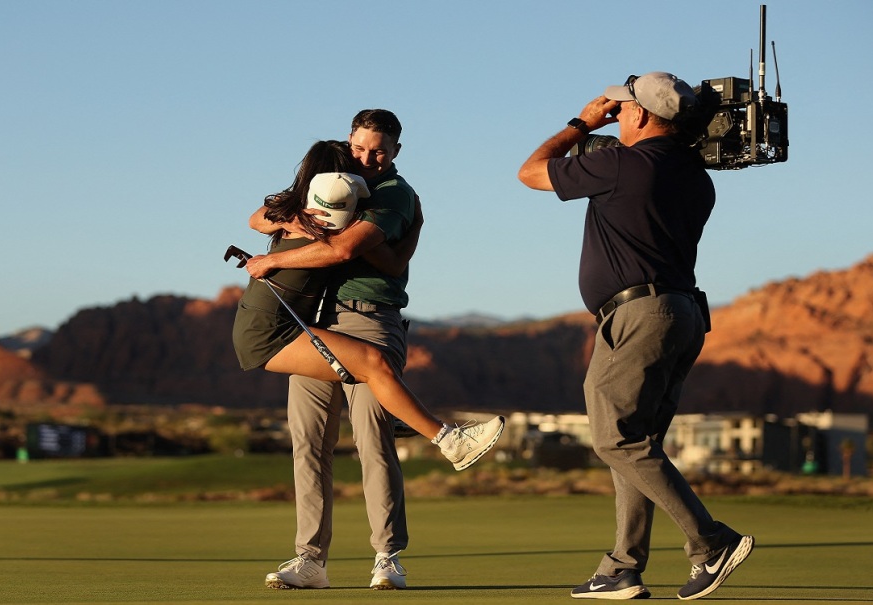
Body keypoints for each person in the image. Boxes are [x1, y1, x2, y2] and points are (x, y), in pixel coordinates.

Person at [517, 72, 753, 601]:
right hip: (682, 312)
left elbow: (530, 173)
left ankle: (710, 543)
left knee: (615, 439)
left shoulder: (621, 163)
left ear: (643, 115)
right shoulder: (696, 173)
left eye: (622, 110)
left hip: (639, 315)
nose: (615, 116)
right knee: (637, 443)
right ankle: (623, 566)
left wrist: (579, 124)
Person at [241, 126, 505, 591]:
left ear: (396, 150)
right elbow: (259, 217)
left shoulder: (393, 193)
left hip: (366, 319)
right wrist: (293, 223)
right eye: (360, 147)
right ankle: (310, 561)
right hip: (314, 324)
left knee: (373, 441)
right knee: (309, 443)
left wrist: (273, 259)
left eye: (378, 150)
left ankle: (387, 556)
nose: (368, 156)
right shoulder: (332, 180)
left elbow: (347, 249)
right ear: (348, 142)